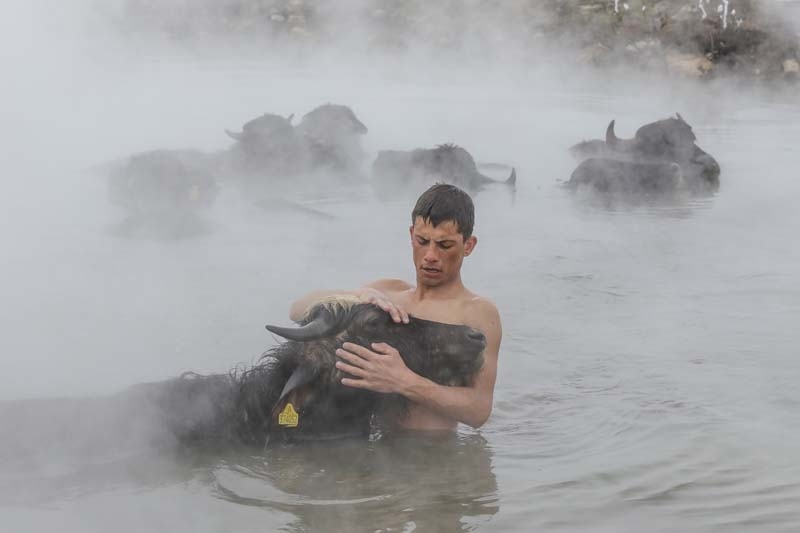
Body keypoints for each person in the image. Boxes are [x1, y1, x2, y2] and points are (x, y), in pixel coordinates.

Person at [288, 184, 502, 431]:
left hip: (436, 459)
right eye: (423, 241)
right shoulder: (387, 292)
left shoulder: (478, 313)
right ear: (411, 235)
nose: (430, 255)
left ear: (468, 245)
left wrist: (404, 382)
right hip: (374, 449)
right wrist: (355, 295)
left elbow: (479, 410)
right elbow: (297, 310)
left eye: (445, 245)